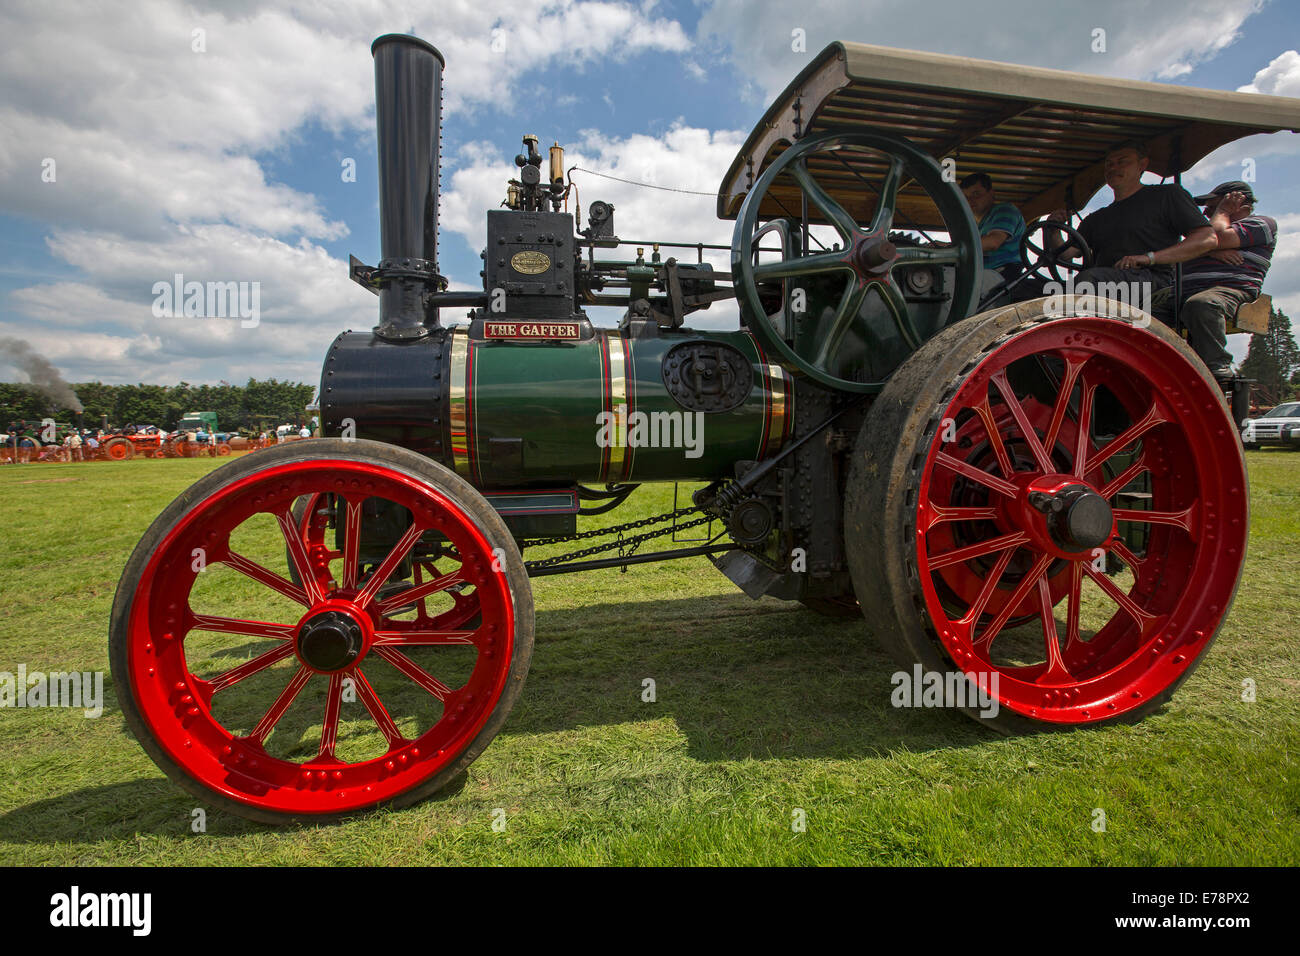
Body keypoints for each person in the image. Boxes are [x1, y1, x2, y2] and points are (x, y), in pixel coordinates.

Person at [1045, 140, 1216, 299]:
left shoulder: (1167, 195)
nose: (1114, 168)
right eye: (1109, 164)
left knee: (1088, 280)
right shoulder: (1096, 218)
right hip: (1103, 282)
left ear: (1142, 165)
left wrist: (1149, 258)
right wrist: (1053, 230)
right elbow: (1065, 254)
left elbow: (1207, 239)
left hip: (1152, 283)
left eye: (1122, 162)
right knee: (1030, 289)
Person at [1152, 181, 1277, 384]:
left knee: (1202, 305)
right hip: (1181, 292)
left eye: (1213, 205)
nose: (1206, 210)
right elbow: (1177, 250)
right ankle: (1157, 365)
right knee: (1141, 314)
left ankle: (1216, 363)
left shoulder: (1262, 224)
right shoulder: (1204, 233)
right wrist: (1213, 250)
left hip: (1228, 290)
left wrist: (1222, 214)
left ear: (1237, 201)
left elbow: (1215, 236)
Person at [960, 172, 1026, 284]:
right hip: (981, 274)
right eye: (965, 197)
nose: (970, 201)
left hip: (1001, 276)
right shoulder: (974, 226)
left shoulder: (1005, 210)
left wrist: (951, 248)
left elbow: (993, 242)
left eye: (976, 194)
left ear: (991, 193)